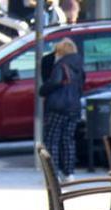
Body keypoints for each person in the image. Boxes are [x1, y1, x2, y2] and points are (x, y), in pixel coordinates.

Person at [39, 38, 83, 180]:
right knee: (68, 140)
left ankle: (53, 173)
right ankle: (69, 173)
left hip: (57, 107)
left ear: (60, 51)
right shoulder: (78, 65)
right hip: (74, 107)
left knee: (52, 139)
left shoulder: (61, 65)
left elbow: (54, 83)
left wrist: (42, 90)